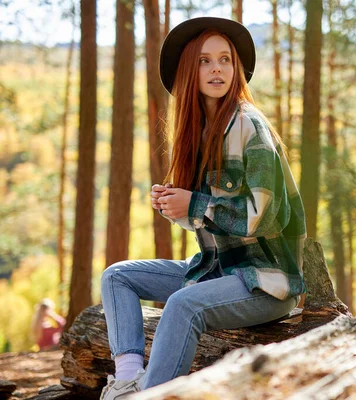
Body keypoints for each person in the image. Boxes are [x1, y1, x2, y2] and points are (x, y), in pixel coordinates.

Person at [100, 17, 306, 400]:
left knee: (182, 306)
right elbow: (211, 219)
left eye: (225, 60)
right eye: (205, 61)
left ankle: (149, 395)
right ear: (188, 71)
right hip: (218, 271)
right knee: (117, 277)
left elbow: (264, 216)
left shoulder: (249, 126)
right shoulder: (202, 132)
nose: (217, 69)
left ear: (236, 69)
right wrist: (174, 206)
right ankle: (127, 381)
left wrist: (194, 202)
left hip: (265, 283)